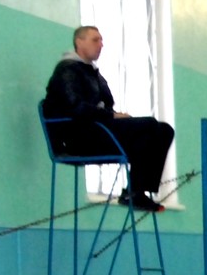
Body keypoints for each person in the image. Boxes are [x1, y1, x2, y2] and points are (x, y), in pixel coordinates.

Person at [43, 24, 175, 211]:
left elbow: (106, 103)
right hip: (78, 137)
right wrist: (112, 115)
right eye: (95, 40)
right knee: (150, 125)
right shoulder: (67, 70)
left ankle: (136, 192)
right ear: (79, 42)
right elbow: (76, 108)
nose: (101, 44)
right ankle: (134, 192)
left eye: (102, 40)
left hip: (98, 130)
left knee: (164, 130)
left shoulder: (94, 73)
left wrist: (110, 115)